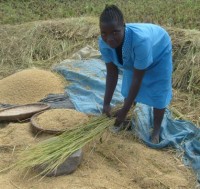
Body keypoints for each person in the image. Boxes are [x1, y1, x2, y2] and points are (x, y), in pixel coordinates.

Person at [98, 5, 173, 144]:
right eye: (104, 33)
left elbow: (138, 78)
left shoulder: (140, 41)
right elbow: (112, 73)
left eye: (115, 32)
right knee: (128, 85)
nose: (109, 38)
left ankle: (156, 131)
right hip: (136, 55)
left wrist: (123, 110)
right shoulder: (103, 43)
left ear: (124, 27)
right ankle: (130, 115)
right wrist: (106, 104)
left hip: (159, 50)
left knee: (159, 91)